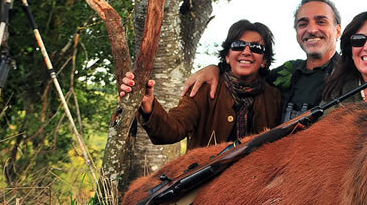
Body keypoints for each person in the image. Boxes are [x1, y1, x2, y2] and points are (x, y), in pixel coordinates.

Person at [120, 19, 281, 149]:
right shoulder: (203, 88)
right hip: (207, 183)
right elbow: (172, 129)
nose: (246, 51)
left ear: (264, 60)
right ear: (226, 56)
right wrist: (149, 105)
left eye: (256, 48)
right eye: (238, 45)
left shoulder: (275, 96)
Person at [182, 0, 342, 122]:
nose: (312, 29)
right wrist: (215, 69)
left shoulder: (351, 73)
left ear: (338, 30)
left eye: (321, 21)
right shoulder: (285, 73)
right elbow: (245, 76)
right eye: (303, 24)